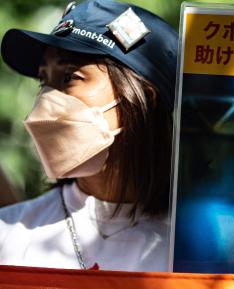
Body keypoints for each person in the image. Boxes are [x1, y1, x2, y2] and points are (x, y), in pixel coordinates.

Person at [0, 0, 177, 271]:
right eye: (43, 80)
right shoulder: (9, 234)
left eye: (70, 77)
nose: (45, 99)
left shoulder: (195, 246)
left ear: (145, 98)